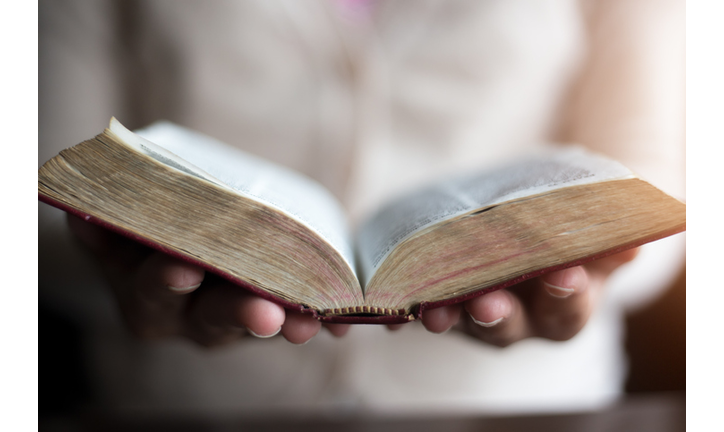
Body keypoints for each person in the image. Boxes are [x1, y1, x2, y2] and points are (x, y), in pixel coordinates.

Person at [39, 0, 684, 415]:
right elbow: (45, 190)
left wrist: (599, 267)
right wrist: (112, 269)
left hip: (519, 410)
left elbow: (660, 191)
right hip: (188, 407)